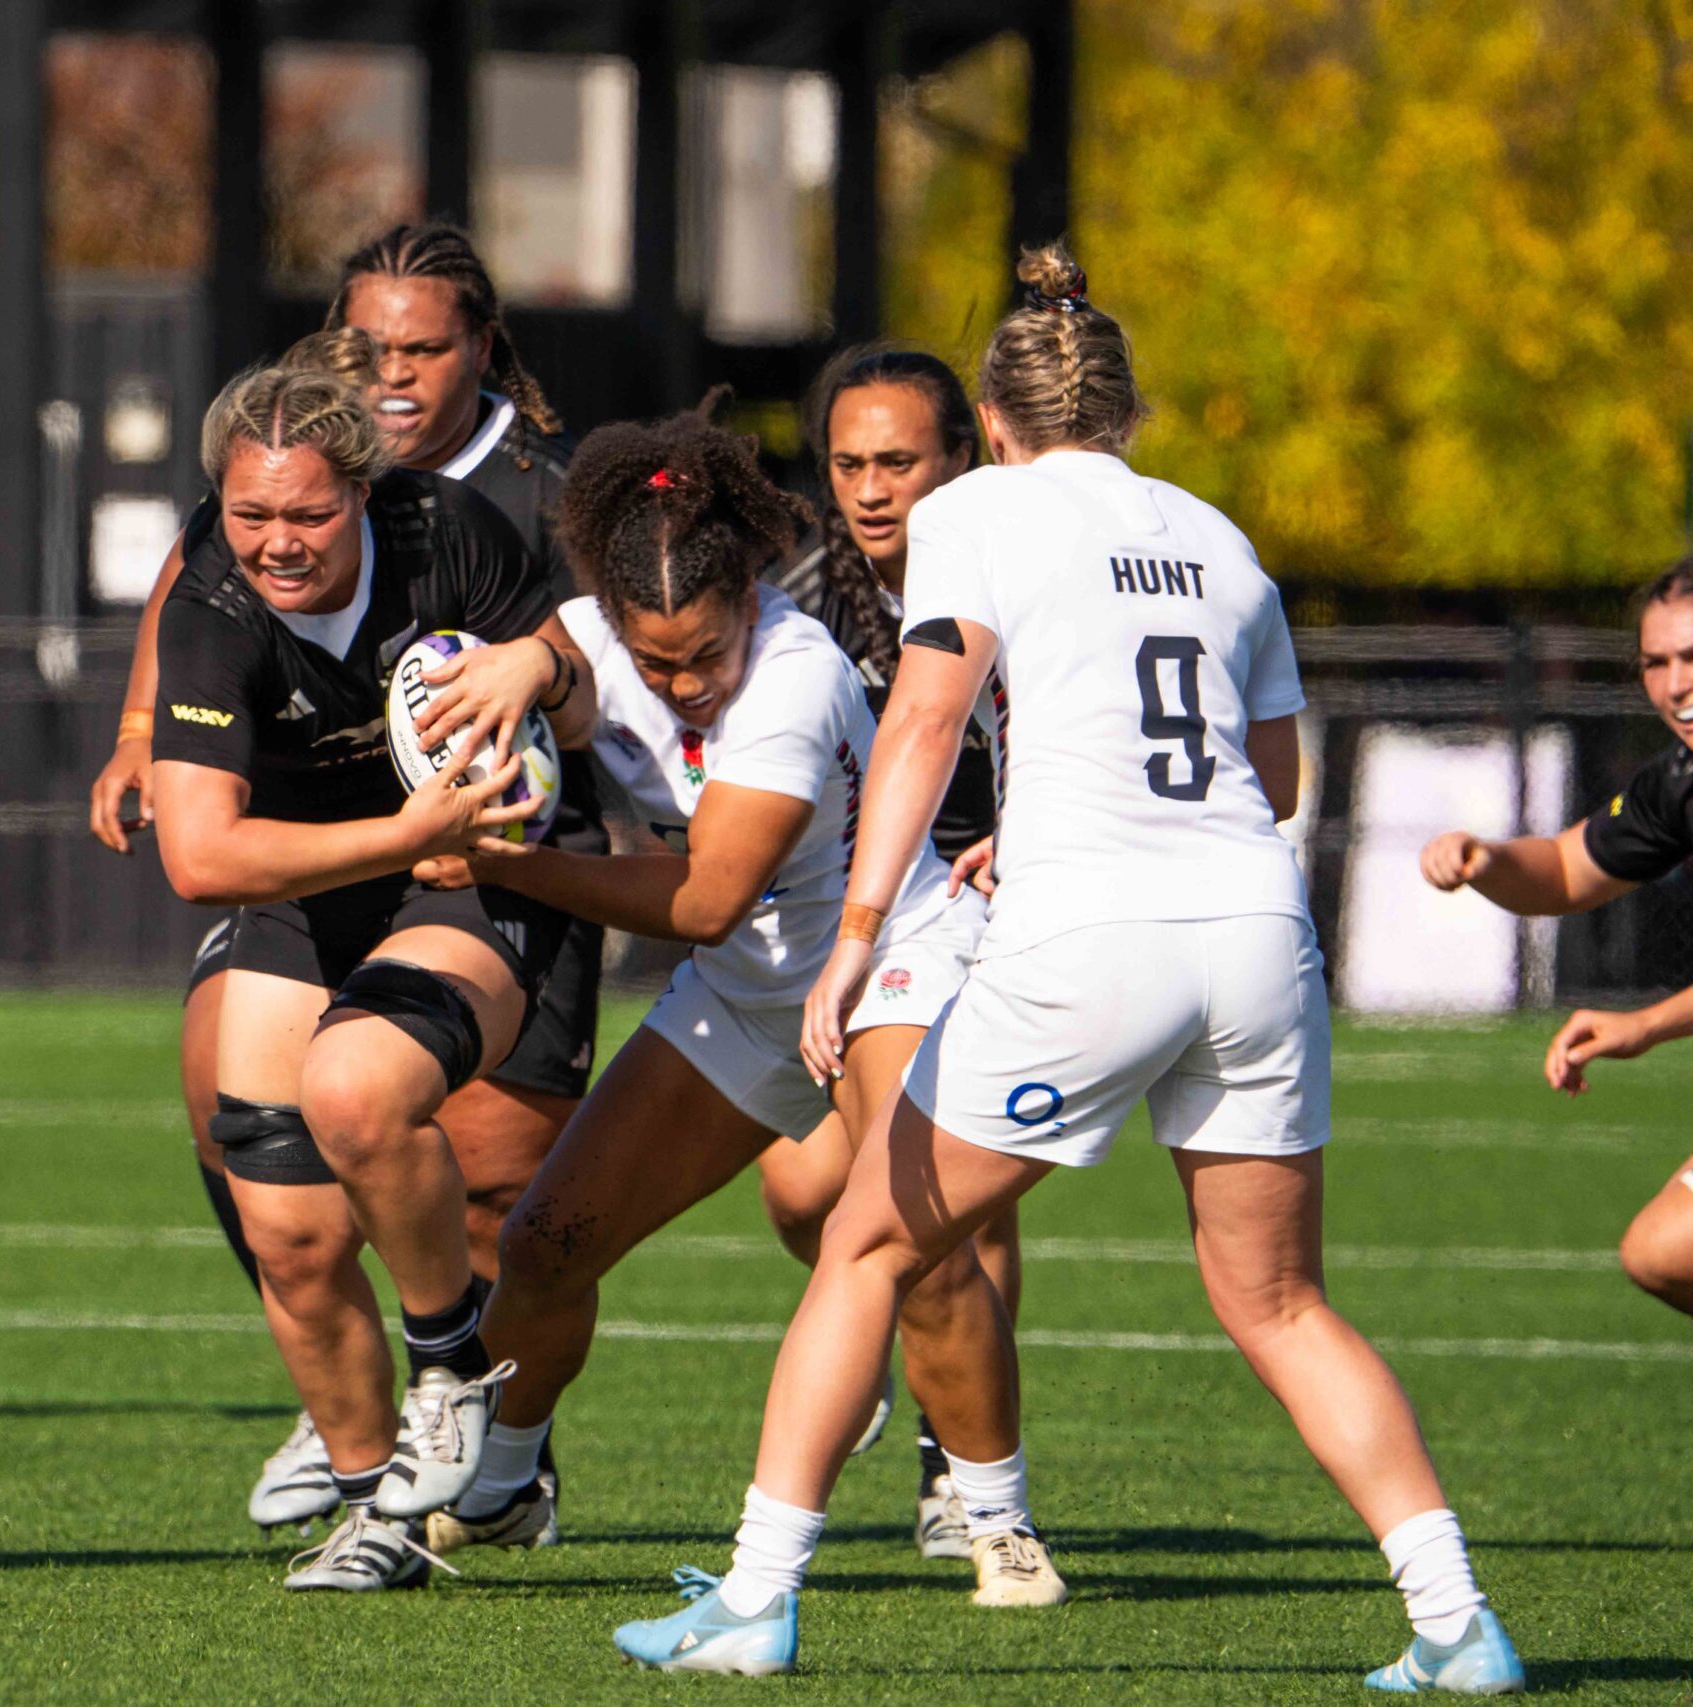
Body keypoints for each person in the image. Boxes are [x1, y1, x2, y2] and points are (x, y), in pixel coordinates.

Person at [611, 245, 1523, 1692]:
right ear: (1131, 413)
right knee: (1279, 1299)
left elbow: (922, 722)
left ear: (995, 416)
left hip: (1098, 936)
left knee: (864, 1240)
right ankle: (1457, 1617)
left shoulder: (979, 510)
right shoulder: (1221, 539)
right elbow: (1270, 778)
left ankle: (754, 1597)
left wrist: (856, 939)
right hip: (1258, 930)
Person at [412, 411, 1037, 1612]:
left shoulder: (794, 681)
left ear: (751, 590)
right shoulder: (592, 633)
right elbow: (560, 655)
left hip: (888, 957)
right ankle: (503, 1483)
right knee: (547, 1243)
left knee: (915, 1244)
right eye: (658, 666)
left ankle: (996, 1521)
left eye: (706, 652)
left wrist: (495, 861)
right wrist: (525, 666)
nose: (687, 683)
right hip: (754, 990)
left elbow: (702, 898)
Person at [88, 222, 599, 1532]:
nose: (391, 373)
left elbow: (600, 668)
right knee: (257, 1135)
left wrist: (536, 702)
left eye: (421, 348)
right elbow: (190, 585)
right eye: (366, 347)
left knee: (467, 1169)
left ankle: (495, 1443)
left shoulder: (515, 495)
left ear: (481, 349)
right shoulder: (258, 499)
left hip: (505, 851)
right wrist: (147, 730)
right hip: (340, 849)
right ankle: (357, 1425)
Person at [759, 344, 1019, 1561]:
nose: (870, 488)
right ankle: (874, 1350)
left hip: (996, 908)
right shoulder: (805, 590)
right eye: (848, 464)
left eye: (899, 462)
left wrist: (1023, 835)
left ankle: (955, 1475)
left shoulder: (1016, 571)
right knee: (802, 1188)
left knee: (952, 1203)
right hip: (856, 919)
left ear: (961, 460)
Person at [1420, 554, 1693, 1322]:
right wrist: (1489, 859)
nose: (1675, 685)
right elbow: (1567, 870)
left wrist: (1646, 1023)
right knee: (1663, 1250)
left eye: (1692, 658)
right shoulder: (1677, 781)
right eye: (1657, 662)